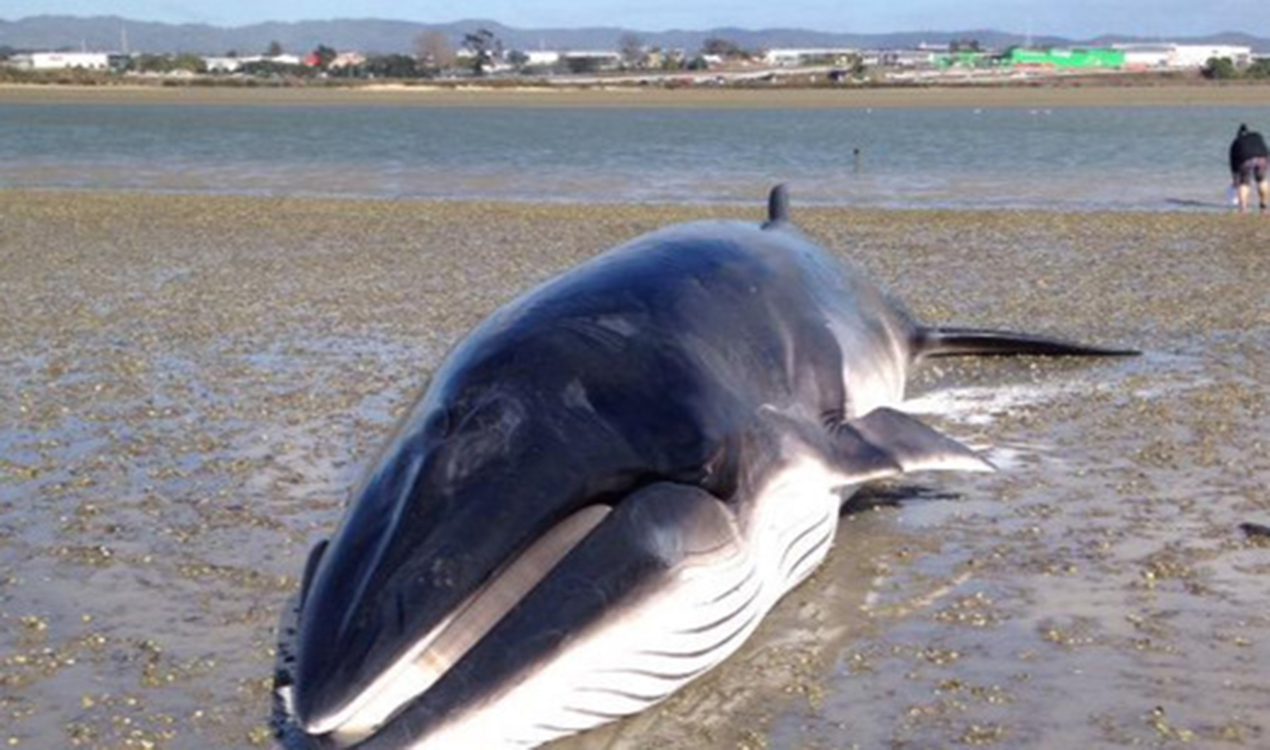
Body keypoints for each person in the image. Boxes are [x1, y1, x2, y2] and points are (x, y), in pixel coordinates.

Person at [1228, 123, 1269, 214]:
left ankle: (1243, 208)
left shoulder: (1236, 142)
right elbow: (1266, 149)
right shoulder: (1257, 136)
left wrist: (1235, 179)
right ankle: (1264, 205)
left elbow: (1233, 162)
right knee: (1262, 180)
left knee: (1244, 183)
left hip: (1245, 158)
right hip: (1262, 157)